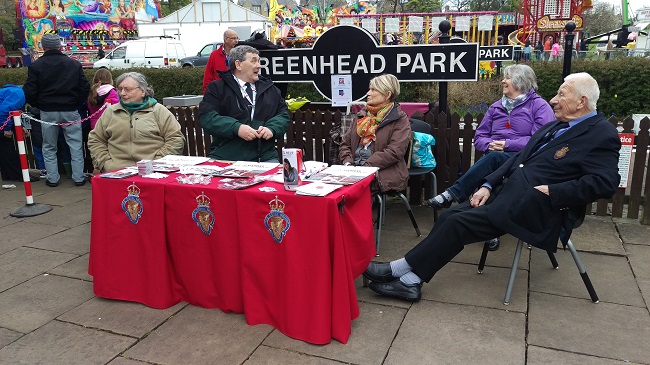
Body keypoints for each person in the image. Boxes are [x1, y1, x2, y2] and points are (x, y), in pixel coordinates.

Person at [363, 73, 621, 302]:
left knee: (457, 224)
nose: (553, 100)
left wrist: (554, 192)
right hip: (508, 194)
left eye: (561, 95)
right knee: (451, 215)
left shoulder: (601, 134)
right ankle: (410, 280)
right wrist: (487, 184)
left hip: (538, 208)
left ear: (582, 102)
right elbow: (519, 161)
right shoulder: (556, 125)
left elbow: (605, 183)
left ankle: (402, 273)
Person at [427, 64, 554, 250]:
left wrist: (507, 144)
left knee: (492, 162)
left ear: (521, 81)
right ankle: (488, 229)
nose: (503, 81)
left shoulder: (539, 106)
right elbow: (479, 137)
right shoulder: (496, 107)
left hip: (524, 161)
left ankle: (453, 194)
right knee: (491, 172)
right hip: (495, 158)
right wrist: (489, 144)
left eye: (508, 78)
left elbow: (540, 140)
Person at [199, 45, 289, 162]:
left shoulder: (271, 89)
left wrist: (272, 129)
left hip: (265, 157)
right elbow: (207, 117)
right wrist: (236, 128)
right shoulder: (217, 88)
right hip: (226, 156)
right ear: (238, 64)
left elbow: (283, 115)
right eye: (253, 61)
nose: (258, 65)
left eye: (258, 61)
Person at [23, 33, 90, 187]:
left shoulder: (36, 66)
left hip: (47, 110)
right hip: (71, 109)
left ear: (43, 46)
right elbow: (85, 87)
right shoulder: (74, 64)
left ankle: (53, 179)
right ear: (60, 46)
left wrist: (39, 105)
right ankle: (79, 177)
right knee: (75, 144)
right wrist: (76, 102)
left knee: (49, 146)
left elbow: (30, 90)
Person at [88, 72, 185, 172]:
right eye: (120, 89)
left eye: (128, 89)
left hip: (153, 172)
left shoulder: (159, 111)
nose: (122, 93)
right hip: (116, 172)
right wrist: (105, 163)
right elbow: (96, 139)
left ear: (142, 91)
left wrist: (157, 162)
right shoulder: (110, 112)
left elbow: (175, 139)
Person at [338, 73, 411, 193]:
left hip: (382, 172)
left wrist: (365, 168)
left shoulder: (399, 119)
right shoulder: (361, 115)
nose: (368, 93)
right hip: (352, 169)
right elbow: (345, 144)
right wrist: (347, 163)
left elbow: (394, 152)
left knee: (347, 195)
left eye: (373, 90)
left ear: (387, 94)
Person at [202, 29, 239, 93]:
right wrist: (206, 92)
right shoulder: (214, 55)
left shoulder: (240, 55)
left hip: (236, 91)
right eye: (233, 38)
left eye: (237, 38)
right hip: (220, 91)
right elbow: (208, 75)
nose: (236, 41)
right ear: (225, 40)